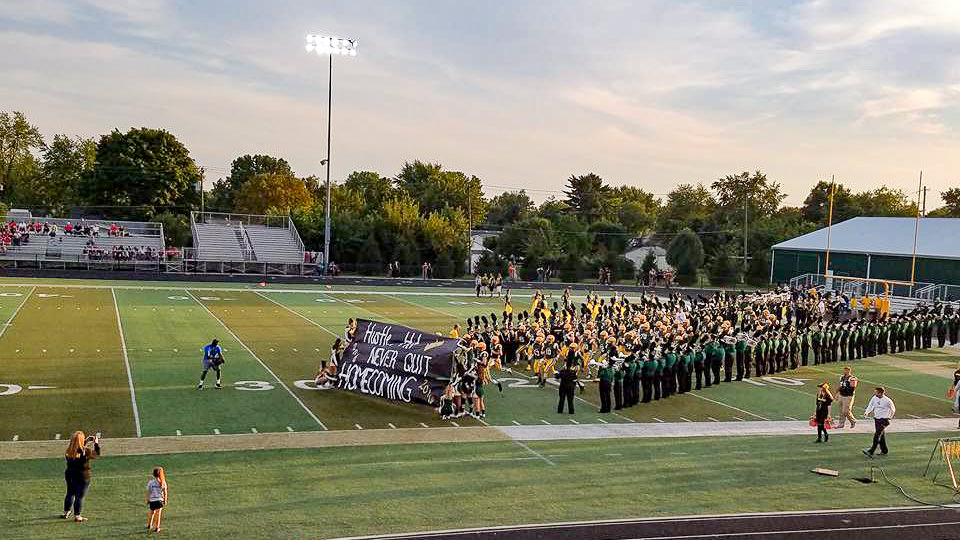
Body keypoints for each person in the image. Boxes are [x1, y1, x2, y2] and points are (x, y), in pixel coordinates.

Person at [63, 430, 100, 522]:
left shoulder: (69, 451)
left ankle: (66, 511)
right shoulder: (86, 451)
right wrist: (96, 443)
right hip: (83, 475)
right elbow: (96, 454)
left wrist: (85, 441)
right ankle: (77, 515)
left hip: (70, 474)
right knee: (80, 496)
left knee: (70, 492)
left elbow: (77, 447)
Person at [863, 387, 896, 457]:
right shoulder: (874, 398)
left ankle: (871, 451)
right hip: (877, 419)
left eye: (876, 392)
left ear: (881, 393)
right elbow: (871, 405)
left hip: (884, 420)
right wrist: (867, 412)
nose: (875, 394)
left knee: (877, 435)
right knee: (881, 435)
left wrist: (889, 417)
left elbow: (893, 409)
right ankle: (884, 450)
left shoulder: (887, 400)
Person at [145, 467, 168, 533]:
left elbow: (148, 492)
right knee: (158, 514)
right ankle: (157, 527)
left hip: (152, 500)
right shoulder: (163, 482)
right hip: (159, 500)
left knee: (151, 513)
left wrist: (148, 499)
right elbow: (165, 492)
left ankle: (149, 525)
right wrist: (165, 500)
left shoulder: (151, 482)